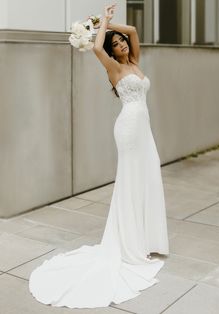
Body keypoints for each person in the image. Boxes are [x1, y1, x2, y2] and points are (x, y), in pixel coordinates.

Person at [28, 3, 169, 309]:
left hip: (144, 129)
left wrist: (115, 25)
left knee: (148, 177)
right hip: (129, 128)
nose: (120, 46)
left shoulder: (135, 61)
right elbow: (95, 47)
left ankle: (143, 239)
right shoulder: (114, 68)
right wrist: (102, 23)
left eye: (120, 44)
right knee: (131, 181)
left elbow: (132, 31)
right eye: (115, 45)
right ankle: (130, 247)